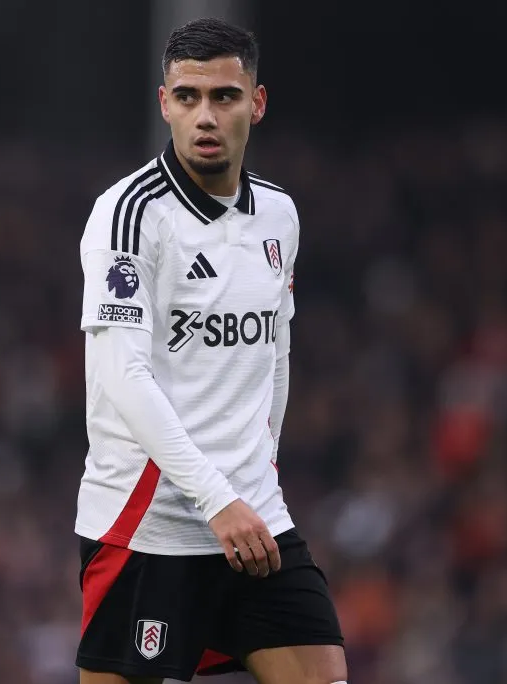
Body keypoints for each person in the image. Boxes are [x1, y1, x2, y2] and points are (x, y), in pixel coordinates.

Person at [75, 17, 347, 684]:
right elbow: (122, 372)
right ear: (164, 102)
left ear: (255, 103)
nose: (205, 115)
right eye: (189, 96)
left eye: (223, 96)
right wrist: (214, 497)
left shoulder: (279, 215)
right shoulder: (130, 215)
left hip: (254, 517)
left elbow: (275, 351)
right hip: (148, 526)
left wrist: (258, 474)